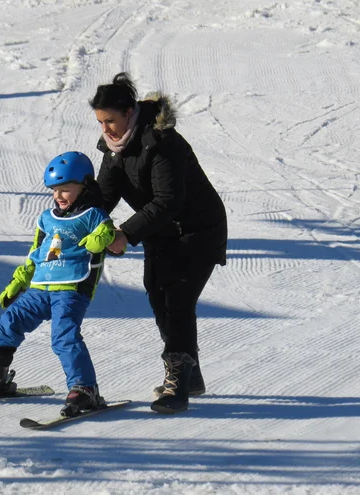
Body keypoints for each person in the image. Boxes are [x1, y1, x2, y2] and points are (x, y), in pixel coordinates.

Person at [90, 73, 228, 414]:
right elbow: (104, 195)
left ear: (129, 112)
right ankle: (190, 374)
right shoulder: (115, 149)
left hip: (198, 229)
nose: (106, 129)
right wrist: (76, 221)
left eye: (111, 121)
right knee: (158, 294)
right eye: (100, 122)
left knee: (178, 298)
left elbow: (168, 200)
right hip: (161, 231)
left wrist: (125, 233)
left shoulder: (162, 142)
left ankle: (178, 382)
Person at [0, 151, 117, 417]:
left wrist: (101, 238)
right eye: (54, 191)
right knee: (9, 321)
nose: (59, 196)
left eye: (65, 190)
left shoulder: (94, 214)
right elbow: (35, 253)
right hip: (39, 287)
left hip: (71, 289)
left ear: (85, 186)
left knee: (64, 336)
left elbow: (106, 231)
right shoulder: (46, 218)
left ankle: (84, 388)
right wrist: (18, 281)